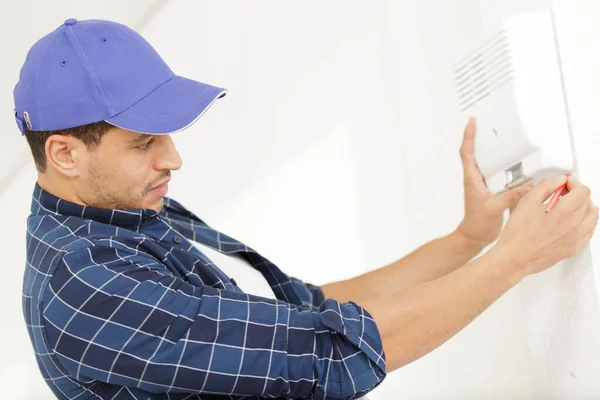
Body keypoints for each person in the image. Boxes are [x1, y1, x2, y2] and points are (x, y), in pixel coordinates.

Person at [14, 18, 597, 400]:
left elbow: (303, 315)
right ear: (65, 153)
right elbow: (328, 352)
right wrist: (515, 258)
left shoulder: (124, 207)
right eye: (144, 142)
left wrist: (470, 240)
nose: (174, 159)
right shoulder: (85, 282)